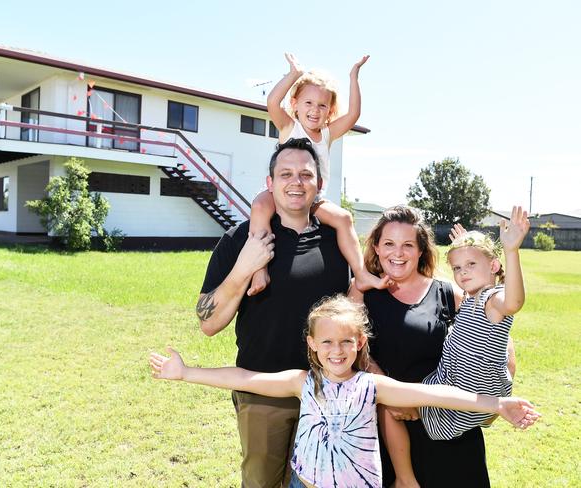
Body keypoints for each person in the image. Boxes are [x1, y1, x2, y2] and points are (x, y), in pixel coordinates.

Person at [151, 295, 539, 488]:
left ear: (359, 344)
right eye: (327, 343)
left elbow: (438, 396)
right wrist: (186, 373)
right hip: (305, 482)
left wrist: (498, 403)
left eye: (345, 342)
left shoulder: (373, 387)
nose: (336, 351)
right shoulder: (302, 382)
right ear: (312, 345)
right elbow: (244, 378)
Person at [196, 137, 351, 487]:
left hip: (327, 393)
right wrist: (244, 269)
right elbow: (208, 323)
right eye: (285, 174)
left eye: (305, 175)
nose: (296, 182)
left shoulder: (335, 241)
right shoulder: (242, 239)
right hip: (262, 392)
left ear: (319, 185)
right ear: (270, 184)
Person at [349, 205, 517, 488]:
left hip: (449, 426)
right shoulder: (362, 291)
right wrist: (394, 395)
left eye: (407, 245)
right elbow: (352, 350)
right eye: (389, 244)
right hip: (389, 426)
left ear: (420, 250)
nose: (398, 253)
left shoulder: (448, 292)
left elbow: (497, 338)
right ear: (376, 247)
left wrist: (486, 403)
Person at [247, 53, 377, 297]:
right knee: (259, 207)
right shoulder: (289, 126)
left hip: (313, 200)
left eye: (322, 105)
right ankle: (258, 269)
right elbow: (273, 103)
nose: (314, 111)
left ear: (329, 111)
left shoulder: (327, 134)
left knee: (344, 218)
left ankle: (360, 273)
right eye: (308, 103)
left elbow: (353, 115)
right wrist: (294, 74)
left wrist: (353, 77)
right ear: (295, 103)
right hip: (280, 195)